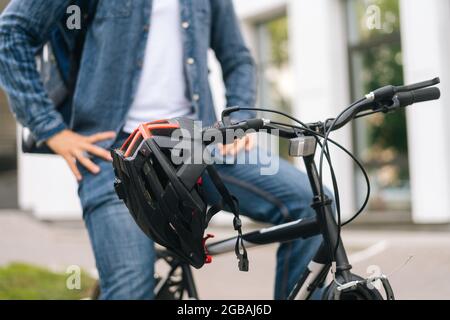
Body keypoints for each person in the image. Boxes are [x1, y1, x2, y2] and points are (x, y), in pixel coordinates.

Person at [0, 0, 323, 299]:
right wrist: (51, 130)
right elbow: (12, 31)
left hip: (198, 144)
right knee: (130, 289)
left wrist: (238, 121)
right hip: (115, 155)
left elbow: (237, 57)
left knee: (313, 203)